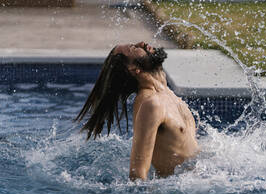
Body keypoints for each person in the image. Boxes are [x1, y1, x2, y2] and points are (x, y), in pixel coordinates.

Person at [75, 42, 199, 180]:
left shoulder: (168, 94)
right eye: (134, 48)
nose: (142, 43)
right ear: (133, 68)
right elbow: (137, 175)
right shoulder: (151, 104)